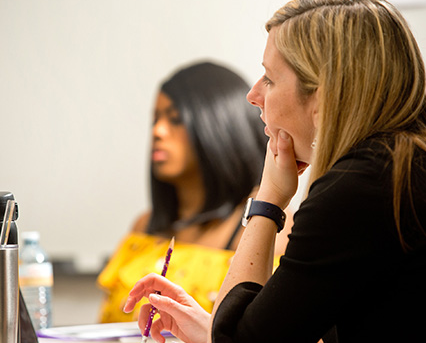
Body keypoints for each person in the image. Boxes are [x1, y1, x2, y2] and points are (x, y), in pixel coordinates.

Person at [123, 0, 426, 343]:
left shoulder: (362, 185)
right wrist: (217, 331)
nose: (253, 95)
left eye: (268, 78)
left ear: (322, 93)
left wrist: (268, 199)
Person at [97, 61, 292, 323]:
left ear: (222, 127)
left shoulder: (263, 223)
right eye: (156, 119)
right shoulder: (145, 227)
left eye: (175, 119)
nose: (158, 131)